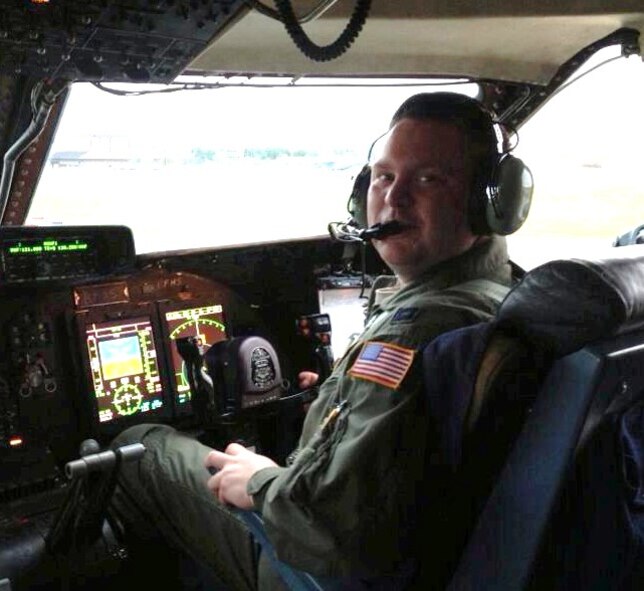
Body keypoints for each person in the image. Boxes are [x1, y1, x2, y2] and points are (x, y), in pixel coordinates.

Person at [110, 92, 517, 590]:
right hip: (438, 555)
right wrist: (335, 394)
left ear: (488, 202)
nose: (393, 198)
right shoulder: (503, 291)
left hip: (313, 569)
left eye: (429, 179)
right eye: (384, 177)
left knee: (140, 449)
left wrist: (258, 483)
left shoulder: (417, 330)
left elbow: (331, 532)